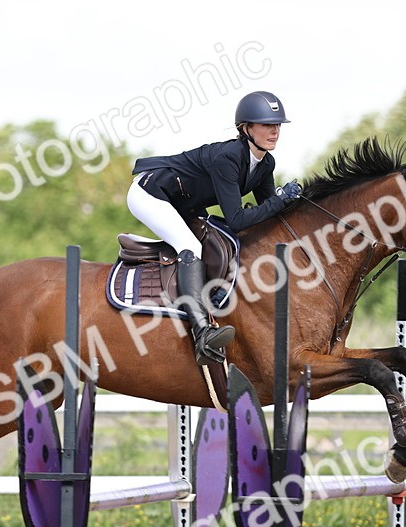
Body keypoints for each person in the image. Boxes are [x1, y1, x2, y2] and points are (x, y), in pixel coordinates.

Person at [127, 90, 301, 366]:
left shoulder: (266, 163)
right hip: (152, 193)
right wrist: (281, 199)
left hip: (186, 202)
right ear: (246, 128)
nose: (275, 131)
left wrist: (294, 205)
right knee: (191, 247)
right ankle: (203, 333)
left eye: (277, 124)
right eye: (267, 124)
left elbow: (269, 215)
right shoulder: (228, 157)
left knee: (219, 243)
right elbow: (238, 219)